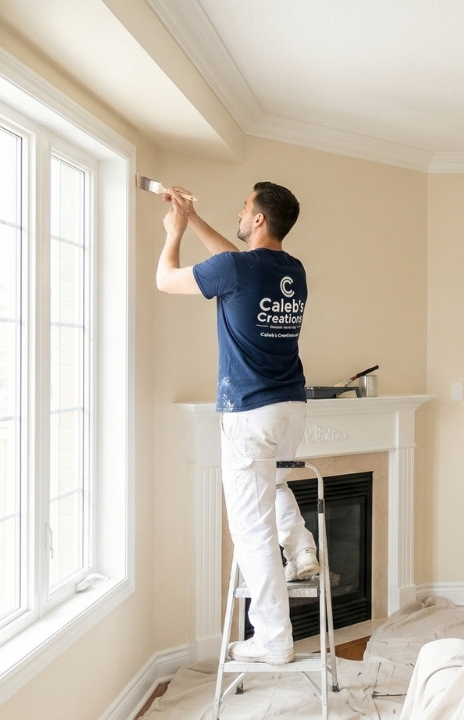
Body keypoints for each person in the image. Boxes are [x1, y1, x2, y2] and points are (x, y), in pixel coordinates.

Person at [157, 181, 319, 665]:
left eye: (246, 208)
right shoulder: (292, 270)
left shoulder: (236, 268)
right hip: (291, 408)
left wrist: (174, 232)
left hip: (249, 411)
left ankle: (273, 639)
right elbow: (236, 261)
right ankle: (302, 550)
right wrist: (193, 217)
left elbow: (165, 280)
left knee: (251, 531)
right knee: (275, 485)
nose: (241, 212)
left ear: (259, 219)